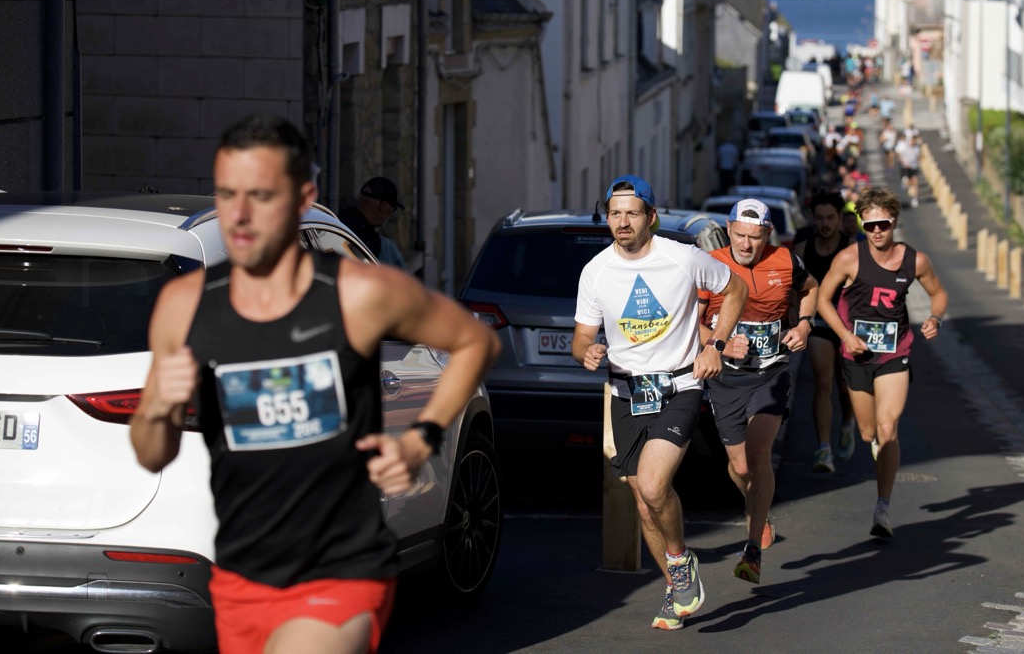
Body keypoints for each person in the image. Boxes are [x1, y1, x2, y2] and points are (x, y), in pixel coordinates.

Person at [130, 115, 500, 654]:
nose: (240, 214)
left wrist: (421, 438)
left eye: (261, 195)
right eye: (228, 194)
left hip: (341, 564)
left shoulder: (357, 293)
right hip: (242, 572)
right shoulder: (184, 305)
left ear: (304, 198)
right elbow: (151, 452)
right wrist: (159, 406)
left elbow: (473, 343)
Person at [572, 175, 747, 631]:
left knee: (653, 486)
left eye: (631, 213)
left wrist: (716, 344)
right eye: (614, 213)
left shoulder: (682, 257)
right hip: (626, 393)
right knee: (642, 501)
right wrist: (586, 351)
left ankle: (680, 562)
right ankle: (676, 588)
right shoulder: (596, 271)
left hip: (679, 386)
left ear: (650, 216)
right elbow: (581, 336)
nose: (622, 222)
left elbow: (736, 290)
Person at [815, 188, 948, 540]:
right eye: (869, 225)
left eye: (883, 224)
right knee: (868, 432)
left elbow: (938, 293)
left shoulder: (914, 260)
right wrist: (846, 336)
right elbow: (822, 300)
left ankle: (882, 507)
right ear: (862, 223)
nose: (876, 231)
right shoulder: (849, 258)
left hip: (894, 352)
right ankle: (873, 442)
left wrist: (934, 318)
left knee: (889, 427)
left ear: (894, 222)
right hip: (857, 354)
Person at [697, 198, 818, 584]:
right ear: (728, 230)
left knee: (759, 451)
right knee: (741, 467)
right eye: (740, 235)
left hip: (771, 371)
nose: (746, 244)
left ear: (767, 234)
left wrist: (804, 324)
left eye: (755, 237)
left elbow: (811, 288)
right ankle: (757, 509)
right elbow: (689, 323)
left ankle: (752, 548)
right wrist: (719, 344)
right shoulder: (709, 265)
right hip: (726, 378)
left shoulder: (786, 261)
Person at [792, 193, 856, 473]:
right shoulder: (803, 249)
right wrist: (794, 317)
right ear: (813, 219)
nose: (825, 223)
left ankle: (847, 422)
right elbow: (793, 291)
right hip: (818, 324)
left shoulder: (852, 249)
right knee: (823, 381)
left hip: (848, 327)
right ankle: (823, 449)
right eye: (820, 218)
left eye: (831, 218)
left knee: (845, 384)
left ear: (840, 219)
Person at [339, 177, 407, 268]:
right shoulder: (384, 246)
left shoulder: (335, 222)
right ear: (383, 206)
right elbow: (401, 275)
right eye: (391, 209)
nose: (390, 214)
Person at [895, 131, 922, 207]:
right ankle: (906, 184)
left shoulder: (916, 148)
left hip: (913, 167)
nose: (913, 142)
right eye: (912, 140)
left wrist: (918, 160)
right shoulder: (904, 147)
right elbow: (898, 153)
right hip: (905, 167)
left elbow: (918, 156)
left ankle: (915, 199)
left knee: (915, 183)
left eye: (914, 140)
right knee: (908, 183)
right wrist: (902, 161)